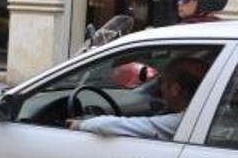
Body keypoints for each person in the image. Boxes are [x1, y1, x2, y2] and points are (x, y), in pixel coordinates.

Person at [68, 57, 209, 141]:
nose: (160, 90)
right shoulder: (211, 116)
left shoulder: (183, 122)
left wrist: (79, 125)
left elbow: (111, 126)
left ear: (175, 89)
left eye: (162, 83)